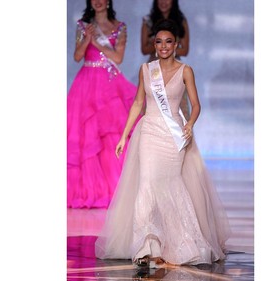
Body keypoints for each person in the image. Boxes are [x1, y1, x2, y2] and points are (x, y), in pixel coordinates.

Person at [95, 19, 231, 267]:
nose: (164, 46)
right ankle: (147, 247)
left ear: (177, 44)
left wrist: (189, 124)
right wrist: (124, 135)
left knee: (169, 185)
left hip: (173, 136)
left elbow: (196, 104)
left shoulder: (185, 70)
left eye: (169, 41)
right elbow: (138, 103)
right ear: (154, 45)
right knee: (146, 184)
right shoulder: (147, 70)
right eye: (159, 41)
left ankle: (177, 242)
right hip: (149, 132)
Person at [67, 0, 138, 208]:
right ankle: (89, 190)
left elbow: (118, 57)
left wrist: (96, 43)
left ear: (108, 1)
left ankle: (113, 189)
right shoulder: (83, 25)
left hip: (109, 84)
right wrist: (86, 38)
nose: (97, 2)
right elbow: (78, 56)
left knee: (111, 136)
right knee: (86, 136)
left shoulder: (120, 26)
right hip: (86, 83)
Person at [141, 0, 191, 120]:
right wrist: (161, 49)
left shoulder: (181, 21)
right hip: (154, 69)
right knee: (151, 105)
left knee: (178, 107)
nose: (163, 2)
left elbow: (185, 50)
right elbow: (144, 49)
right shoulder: (148, 21)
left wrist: (166, 50)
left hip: (175, 69)